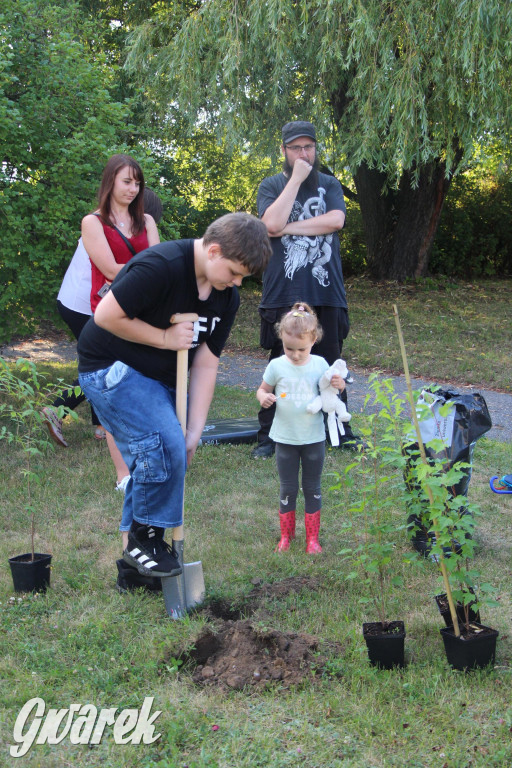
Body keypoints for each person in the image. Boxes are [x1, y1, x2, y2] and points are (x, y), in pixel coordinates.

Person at [77, 212, 271, 577]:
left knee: (168, 454)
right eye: (234, 272)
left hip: (163, 379)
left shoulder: (225, 299)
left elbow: (205, 364)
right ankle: (145, 539)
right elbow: (105, 315)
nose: (237, 282)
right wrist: (165, 339)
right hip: (111, 366)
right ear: (213, 251)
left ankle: (133, 572)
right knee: (163, 446)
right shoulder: (161, 266)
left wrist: (195, 432)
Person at [251, 120, 362, 458]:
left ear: (316, 148)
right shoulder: (271, 185)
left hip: (325, 289)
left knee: (330, 363)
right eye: (296, 148)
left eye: (308, 147)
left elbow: (335, 221)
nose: (303, 153)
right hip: (283, 290)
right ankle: (269, 435)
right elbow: (270, 224)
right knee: (281, 362)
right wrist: (296, 180)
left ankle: (339, 433)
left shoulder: (329, 184)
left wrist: (289, 228)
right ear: (283, 151)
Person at [43, 185, 163, 450]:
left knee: (104, 363)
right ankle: (58, 409)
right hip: (83, 304)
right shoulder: (104, 227)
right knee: (104, 365)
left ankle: (100, 425)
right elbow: (116, 271)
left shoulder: (123, 227)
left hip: (91, 303)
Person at [256, 302, 345, 553]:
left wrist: (339, 384)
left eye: (301, 349)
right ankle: (286, 536)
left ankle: (312, 539)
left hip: (313, 439)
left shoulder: (319, 365)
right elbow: (263, 389)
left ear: (314, 339)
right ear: (281, 340)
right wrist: (263, 397)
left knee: (312, 487)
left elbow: (334, 390)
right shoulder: (277, 366)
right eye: (289, 348)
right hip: (285, 438)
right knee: (288, 488)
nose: (295, 354)